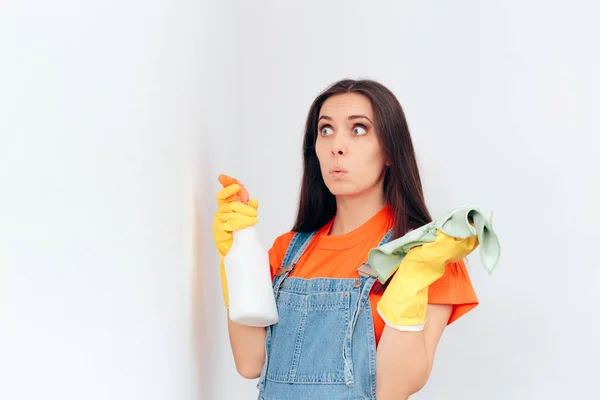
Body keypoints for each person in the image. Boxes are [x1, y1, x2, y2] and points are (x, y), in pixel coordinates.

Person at [212, 79, 479, 399]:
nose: (337, 146)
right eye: (325, 130)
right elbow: (250, 362)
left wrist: (412, 281)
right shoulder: (286, 252)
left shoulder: (429, 254)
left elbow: (393, 390)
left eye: (358, 129)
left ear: (390, 150)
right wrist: (236, 261)